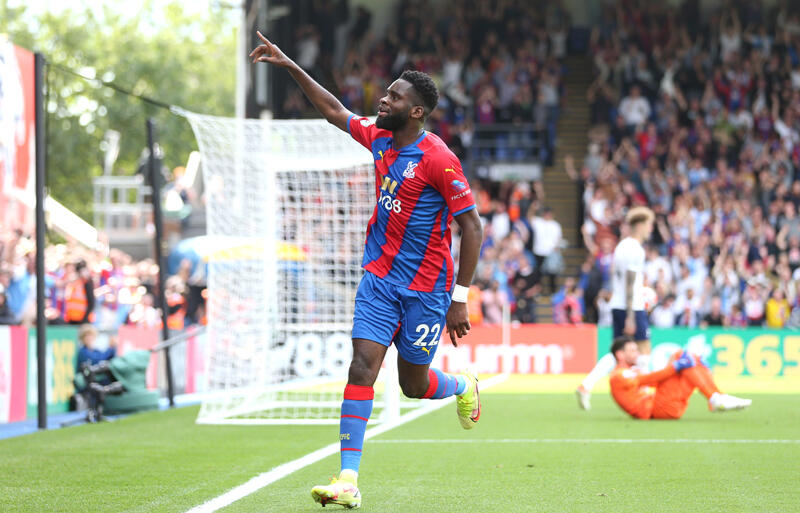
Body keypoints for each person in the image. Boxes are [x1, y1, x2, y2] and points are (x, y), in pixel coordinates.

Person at [250, 31, 484, 509]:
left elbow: (473, 227)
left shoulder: (439, 159)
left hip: (426, 290)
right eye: (387, 92)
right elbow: (335, 111)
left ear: (415, 111)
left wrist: (460, 299)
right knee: (361, 366)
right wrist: (290, 64)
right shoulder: (379, 137)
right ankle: (348, 479)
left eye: (394, 96)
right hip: (378, 279)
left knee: (413, 385)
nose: (383, 99)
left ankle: (463, 385)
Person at [576, 207, 654, 410]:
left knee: (617, 351)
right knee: (644, 348)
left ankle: (587, 385)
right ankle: (645, 392)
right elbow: (630, 281)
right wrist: (631, 315)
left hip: (617, 304)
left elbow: (614, 275)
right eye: (649, 225)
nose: (650, 229)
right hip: (631, 306)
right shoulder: (636, 249)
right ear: (640, 225)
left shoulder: (621, 246)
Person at [608, 337, 751, 420]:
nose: (637, 354)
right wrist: (674, 366)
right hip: (656, 409)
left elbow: (655, 381)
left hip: (663, 406)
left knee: (686, 358)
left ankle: (716, 396)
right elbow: (647, 379)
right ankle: (715, 397)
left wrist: (678, 365)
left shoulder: (631, 371)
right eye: (633, 350)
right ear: (620, 355)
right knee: (680, 357)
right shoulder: (618, 375)